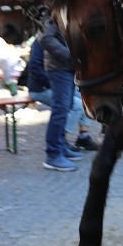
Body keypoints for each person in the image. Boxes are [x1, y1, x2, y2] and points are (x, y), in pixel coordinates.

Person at [27, 38, 99, 153]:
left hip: (61, 84)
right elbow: (35, 67)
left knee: (87, 99)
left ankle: (83, 137)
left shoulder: (63, 38)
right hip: (41, 88)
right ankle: (61, 139)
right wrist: (55, 83)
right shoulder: (41, 41)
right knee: (78, 106)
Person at [36, 19, 87, 171]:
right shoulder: (55, 13)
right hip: (59, 69)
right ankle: (53, 154)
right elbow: (44, 37)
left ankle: (61, 146)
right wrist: (69, 55)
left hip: (66, 68)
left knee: (65, 108)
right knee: (60, 110)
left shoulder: (64, 11)